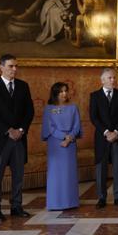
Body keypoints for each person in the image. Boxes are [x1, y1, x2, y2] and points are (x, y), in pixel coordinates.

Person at [0, 54, 34, 222]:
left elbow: (29, 111)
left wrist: (20, 129)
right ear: (1, 67)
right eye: (11, 66)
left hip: (19, 138)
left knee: (18, 175)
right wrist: (8, 130)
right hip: (1, 140)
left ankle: (16, 206)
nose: (14, 69)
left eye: (16, 66)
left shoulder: (23, 86)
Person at [89, 68, 118, 208]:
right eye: (110, 78)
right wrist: (107, 132)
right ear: (103, 80)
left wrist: (116, 132)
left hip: (117, 137)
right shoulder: (95, 96)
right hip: (102, 138)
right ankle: (101, 198)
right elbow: (94, 118)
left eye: (114, 77)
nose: (113, 80)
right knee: (101, 168)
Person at [41, 82, 82, 210]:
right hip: (56, 144)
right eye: (61, 91)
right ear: (55, 93)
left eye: (65, 91)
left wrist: (69, 138)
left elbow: (77, 126)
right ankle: (55, 203)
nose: (64, 94)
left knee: (69, 173)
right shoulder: (49, 109)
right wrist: (64, 137)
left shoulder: (73, 108)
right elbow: (50, 128)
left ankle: (71, 202)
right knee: (56, 174)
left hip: (70, 145)